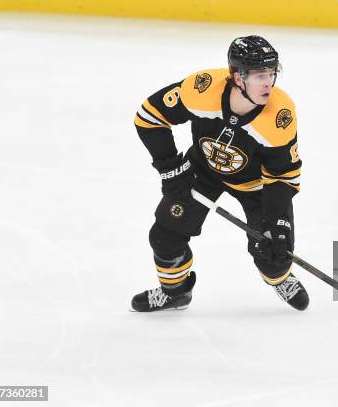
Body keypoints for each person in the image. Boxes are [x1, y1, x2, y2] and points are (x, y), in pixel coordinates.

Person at [130, 35, 309, 312]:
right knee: (164, 238)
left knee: (274, 256)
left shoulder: (279, 115)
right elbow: (150, 116)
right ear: (238, 76)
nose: (268, 83)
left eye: (272, 73)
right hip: (203, 172)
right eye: (260, 75)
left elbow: (283, 175)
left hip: (256, 185)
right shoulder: (202, 89)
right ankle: (175, 293)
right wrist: (171, 170)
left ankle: (280, 278)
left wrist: (278, 224)